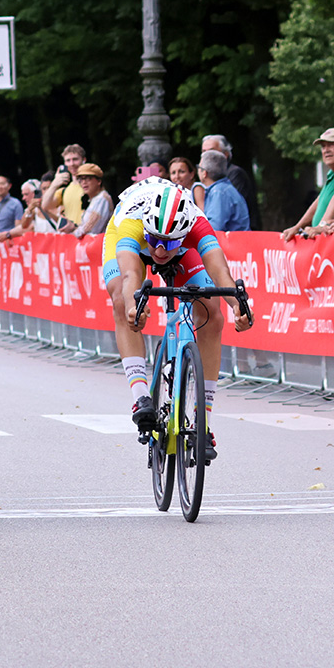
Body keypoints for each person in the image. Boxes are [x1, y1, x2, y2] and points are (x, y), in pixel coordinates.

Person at [102, 178, 252, 456]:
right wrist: (139, 306)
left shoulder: (197, 223)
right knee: (122, 300)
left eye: (167, 244)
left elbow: (221, 274)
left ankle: (203, 417)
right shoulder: (133, 223)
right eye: (156, 242)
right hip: (131, 238)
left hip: (182, 248)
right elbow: (131, 275)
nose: (160, 251)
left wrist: (237, 306)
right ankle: (140, 398)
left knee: (212, 312)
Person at [282, 128, 334, 240]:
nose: (326, 150)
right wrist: (298, 227)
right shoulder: (332, 174)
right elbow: (320, 201)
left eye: (331, 145)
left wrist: (321, 227)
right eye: (323, 146)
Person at [201, 133, 260, 230]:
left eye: (211, 151)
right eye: (203, 152)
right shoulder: (217, 187)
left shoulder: (221, 188)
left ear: (225, 154)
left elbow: (216, 225)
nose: (206, 156)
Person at [197, 150, 250, 231]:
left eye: (199, 167)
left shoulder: (219, 192)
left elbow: (213, 228)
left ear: (204, 173)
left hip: (233, 242)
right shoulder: (223, 189)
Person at [42, 144, 87, 229]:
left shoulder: (90, 186)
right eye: (68, 161)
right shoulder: (64, 191)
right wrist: (54, 184)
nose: (72, 164)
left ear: (84, 160)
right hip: (71, 239)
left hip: (90, 237)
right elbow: (45, 206)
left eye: (75, 159)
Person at [72, 162, 113, 237]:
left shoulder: (102, 199)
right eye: (81, 179)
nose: (84, 182)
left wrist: (73, 233)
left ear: (99, 181)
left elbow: (91, 229)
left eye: (88, 178)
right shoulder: (95, 199)